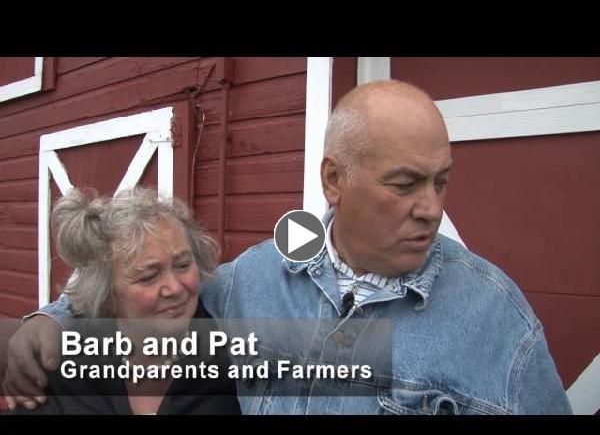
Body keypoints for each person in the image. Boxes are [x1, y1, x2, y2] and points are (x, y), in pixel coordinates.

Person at [2, 80, 571, 414]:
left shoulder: (497, 319)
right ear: (333, 181)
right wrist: (48, 320)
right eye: (404, 184)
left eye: (440, 181)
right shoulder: (258, 278)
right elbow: (153, 294)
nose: (430, 207)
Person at [3, 187, 240, 414]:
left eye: (183, 265)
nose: (176, 288)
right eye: (148, 277)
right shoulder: (60, 367)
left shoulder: (234, 359)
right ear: (107, 293)